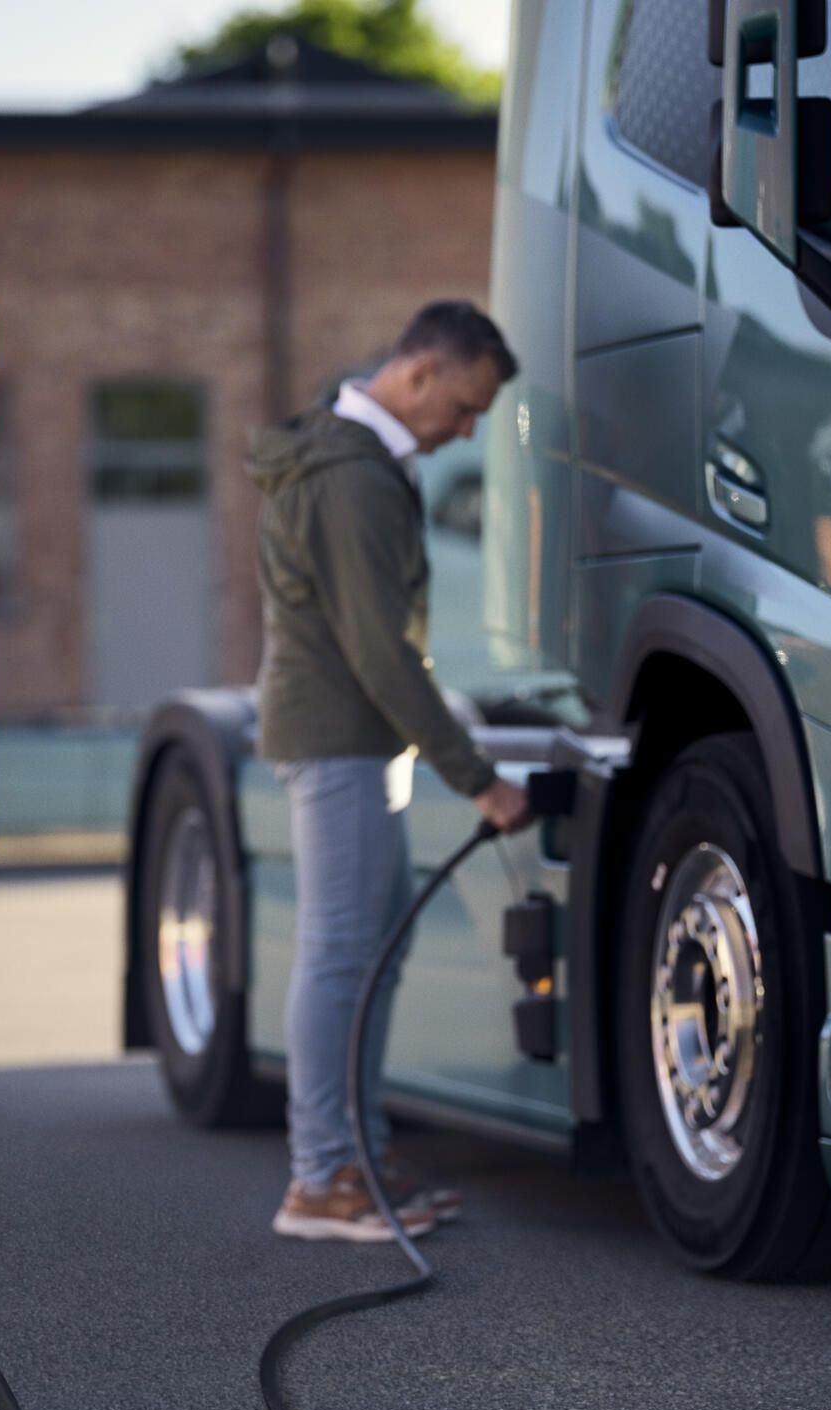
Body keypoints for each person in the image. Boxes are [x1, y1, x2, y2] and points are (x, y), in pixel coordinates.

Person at [248, 300, 531, 1242]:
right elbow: (379, 650)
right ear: (417, 375)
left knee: (375, 947)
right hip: (339, 738)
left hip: (359, 740)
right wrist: (476, 775)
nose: (469, 429)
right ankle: (318, 1177)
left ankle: (354, 1150)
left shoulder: (361, 464)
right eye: (465, 406)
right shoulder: (352, 479)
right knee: (339, 955)